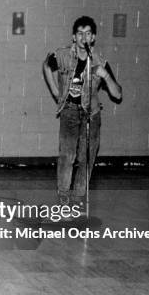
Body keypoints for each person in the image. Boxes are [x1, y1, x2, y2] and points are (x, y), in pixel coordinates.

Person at [42, 15, 122, 207]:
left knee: (86, 159)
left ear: (93, 38)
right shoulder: (62, 55)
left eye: (87, 34)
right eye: (79, 33)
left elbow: (117, 94)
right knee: (67, 157)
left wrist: (106, 76)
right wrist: (56, 92)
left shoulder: (100, 62)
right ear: (74, 37)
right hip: (69, 111)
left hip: (91, 115)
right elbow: (46, 65)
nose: (83, 38)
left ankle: (77, 200)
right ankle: (63, 200)